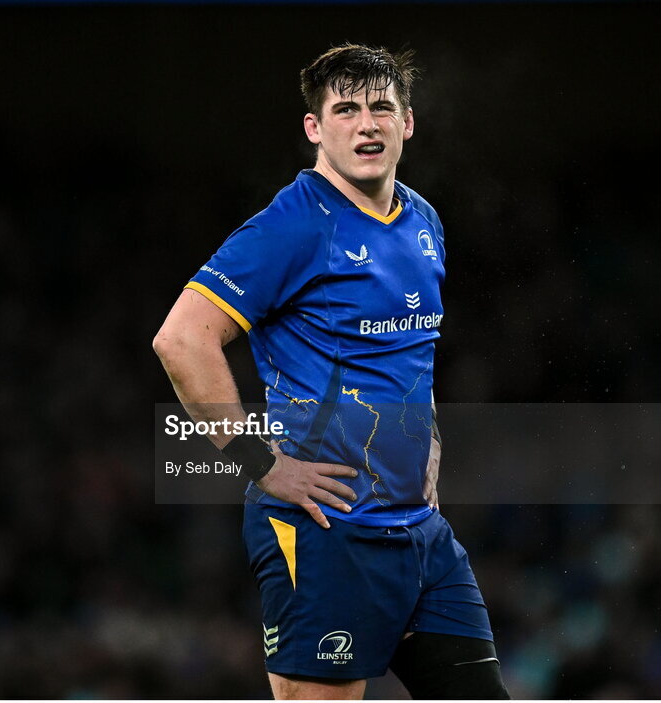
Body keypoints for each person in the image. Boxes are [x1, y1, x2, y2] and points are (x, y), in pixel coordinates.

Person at [153, 43, 508, 700]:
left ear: (407, 122)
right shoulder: (291, 226)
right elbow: (181, 339)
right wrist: (261, 463)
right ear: (314, 127)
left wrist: (426, 449)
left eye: (381, 107)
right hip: (326, 532)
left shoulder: (423, 220)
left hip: (420, 533)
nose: (366, 124)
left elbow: (407, 358)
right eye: (345, 110)